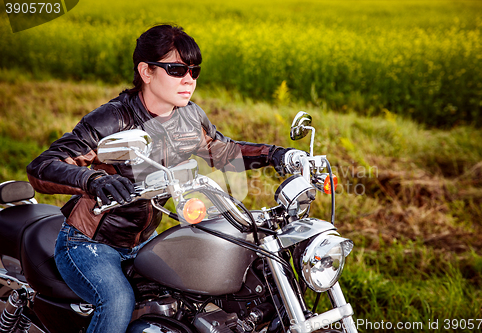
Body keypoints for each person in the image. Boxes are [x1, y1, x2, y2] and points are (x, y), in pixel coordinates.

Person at [26, 24, 297, 333]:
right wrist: (95, 181)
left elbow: (221, 150)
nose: (189, 80)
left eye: (194, 71)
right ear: (146, 71)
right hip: (90, 244)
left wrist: (277, 155)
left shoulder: (190, 117)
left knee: (192, 295)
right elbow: (44, 165)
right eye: (177, 69)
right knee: (116, 301)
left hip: (145, 241)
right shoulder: (114, 118)